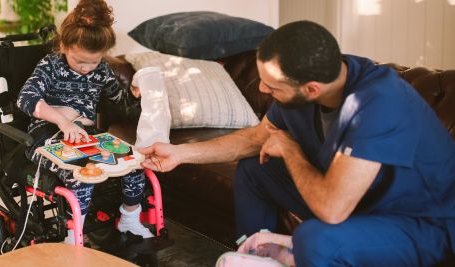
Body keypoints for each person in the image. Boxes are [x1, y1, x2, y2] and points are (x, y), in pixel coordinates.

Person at [139, 20, 455, 266]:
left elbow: (332, 210)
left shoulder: (378, 105)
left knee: (315, 239)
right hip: (358, 199)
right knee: (254, 168)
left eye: (271, 85)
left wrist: (289, 148)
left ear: (312, 89)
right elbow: (256, 138)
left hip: (421, 224)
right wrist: (180, 153)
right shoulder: (312, 77)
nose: (261, 89)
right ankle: (253, 256)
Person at [17, 0, 153, 244]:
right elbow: (26, 98)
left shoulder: (101, 71)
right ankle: (73, 234)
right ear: (64, 47)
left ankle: (130, 219)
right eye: (80, 61)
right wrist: (62, 121)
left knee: (135, 163)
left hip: (86, 138)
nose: (87, 68)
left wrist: (138, 95)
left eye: (94, 61)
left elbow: (122, 104)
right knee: (83, 173)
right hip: (45, 137)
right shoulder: (51, 65)